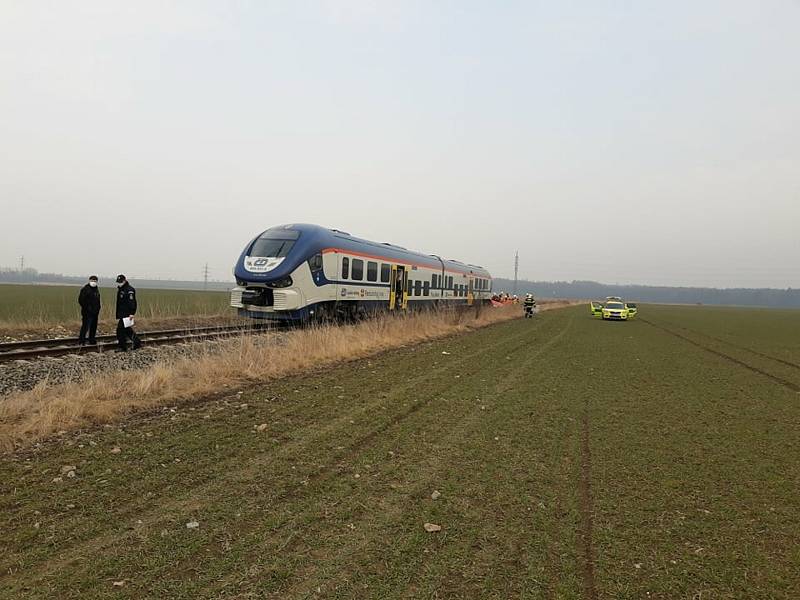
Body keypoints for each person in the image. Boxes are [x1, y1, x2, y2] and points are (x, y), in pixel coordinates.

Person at [115, 274, 141, 351]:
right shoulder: (121, 289)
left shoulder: (129, 290)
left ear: (125, 280)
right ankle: (137, 342)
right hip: (122, 313)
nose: (119, 283)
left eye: (121, 281)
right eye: (118, 282)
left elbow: (132, 302)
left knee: (120, 329)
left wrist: (132, 313)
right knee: (127, 329)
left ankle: (122, 347)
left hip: (127, 313)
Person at [78, 275, 101, 345]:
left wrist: (98, 308)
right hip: (87, 312)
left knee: (93, 327)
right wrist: (88, 308)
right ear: (89, 281)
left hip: (95, 312)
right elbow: (81, 300)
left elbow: (98, 300)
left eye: (95, 281)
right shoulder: (85, 289)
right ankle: (82, 341)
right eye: (92, 280)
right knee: (85, 327)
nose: (93, 282)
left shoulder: (96, 289)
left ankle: (92, 339)